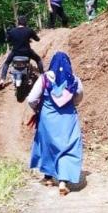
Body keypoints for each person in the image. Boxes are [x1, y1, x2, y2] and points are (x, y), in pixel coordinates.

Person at [26, 51, 84, 196]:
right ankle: (63, 182)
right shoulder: (74, 80)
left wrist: (38, 108)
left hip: (48, 118)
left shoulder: (44, 79)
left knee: (48, 145)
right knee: (68, 147)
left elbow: (31, 99)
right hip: (68, 119)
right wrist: (70, 104)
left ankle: (48, 178)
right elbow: (78, 98)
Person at [0, 16, 44, 89]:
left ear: (18, 22)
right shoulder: (29, 30)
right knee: (38, 60)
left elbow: (7, 40)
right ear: (25, 23)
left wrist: (8, 33)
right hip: (27, 52)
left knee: (6, 63)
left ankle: (2, 80)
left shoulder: (12, 31)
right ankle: (42, 76)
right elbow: (37, 39)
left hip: (15, 53)